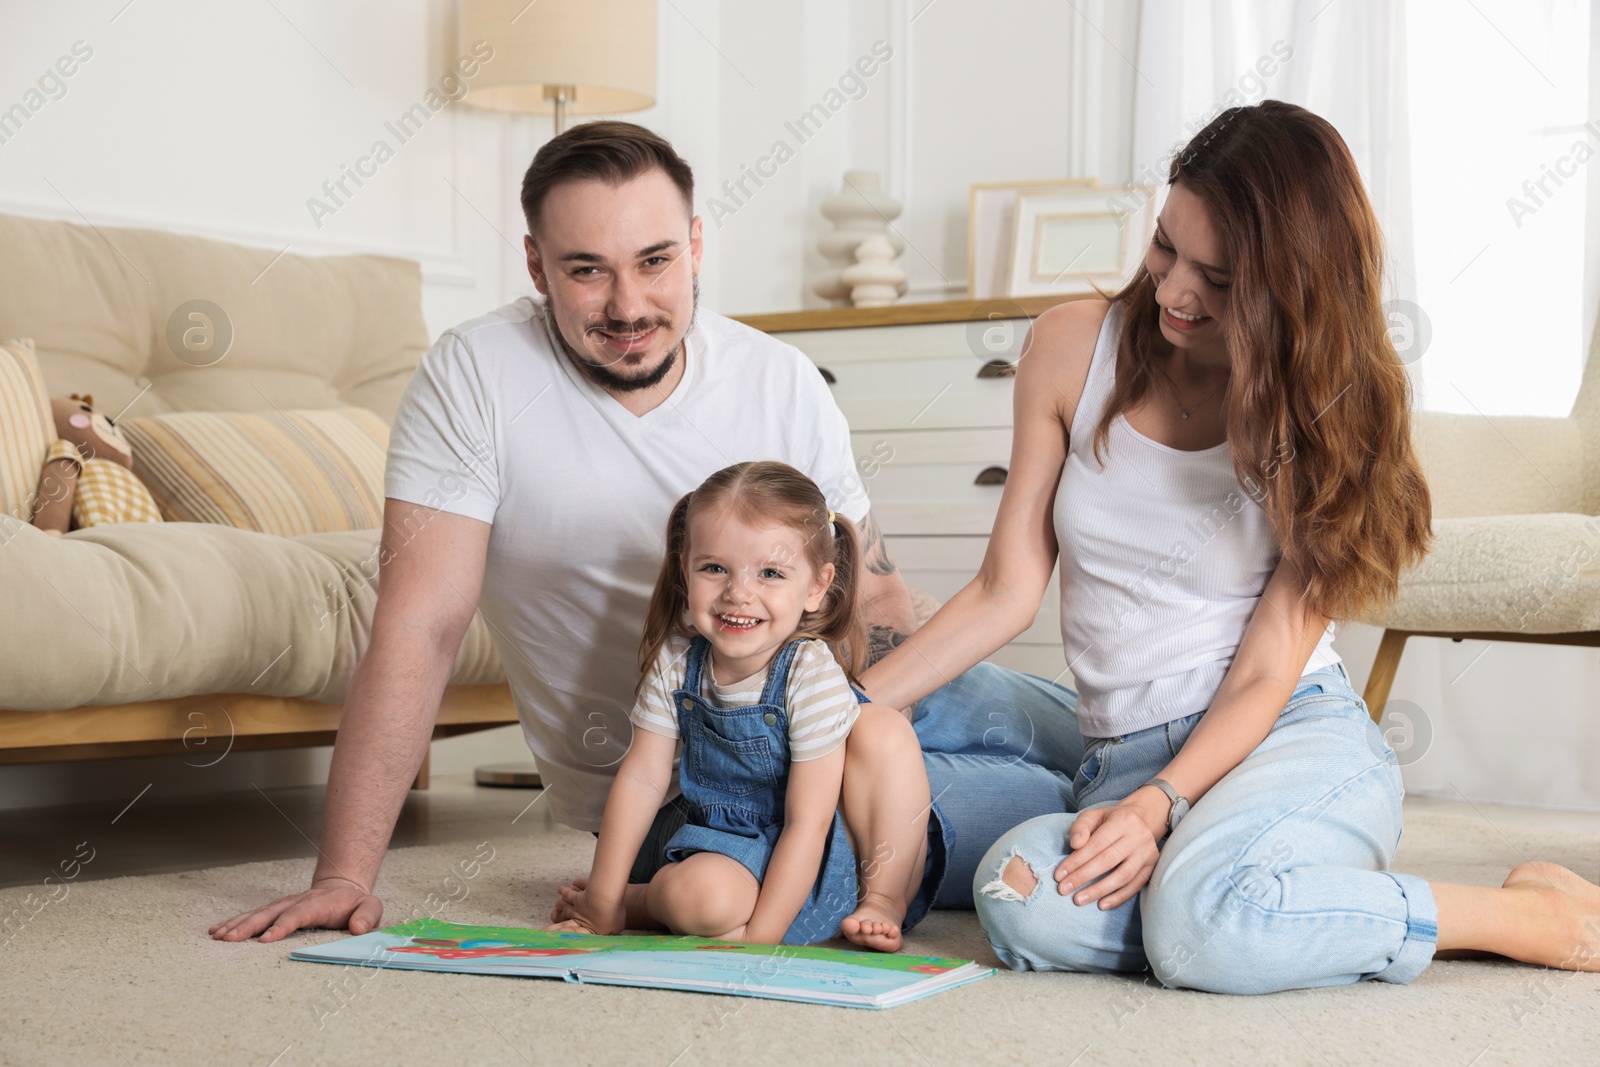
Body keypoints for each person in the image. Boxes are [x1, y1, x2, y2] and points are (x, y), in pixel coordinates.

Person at [209, 121, 1082, 945]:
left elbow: (876, 595)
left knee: (1082, 733)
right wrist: (345, 871)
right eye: (587, 269)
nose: (630, 305)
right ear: (535, 263)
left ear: (696, 246)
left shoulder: (778, 378)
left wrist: (843, 722)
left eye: (656, 261)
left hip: (839, 693)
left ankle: (1166, 758)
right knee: (1066, 829)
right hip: (706, 790)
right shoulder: (474, 376)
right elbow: (421, 625)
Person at [857, 99, 1600, 991]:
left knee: (1202, 930)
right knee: (1019, 897)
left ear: (1291, 286)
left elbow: (1261, 674)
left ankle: (1520, 914)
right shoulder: (1068, 348)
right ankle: (1278, 892)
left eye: (1219, 278)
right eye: (1165, 247)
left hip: (1280, 732)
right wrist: (838, 709)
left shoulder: (1327, 410)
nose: (1174, 291)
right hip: (1114, 744)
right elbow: (1005, 589)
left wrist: (1162, 804)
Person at [548, 462, 931, 950]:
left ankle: (883, 899)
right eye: (714, 568)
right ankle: (638, 898)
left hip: (811, 843)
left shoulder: (809, 673)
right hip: (714, 837)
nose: (738, 593)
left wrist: (761, 938)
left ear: (816, 586)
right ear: (684, 570)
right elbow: (642, 779)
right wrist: (602, 903)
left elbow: (807, 822)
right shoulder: (677, 661)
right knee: (707, 901)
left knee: (884, 729)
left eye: (770, 573)